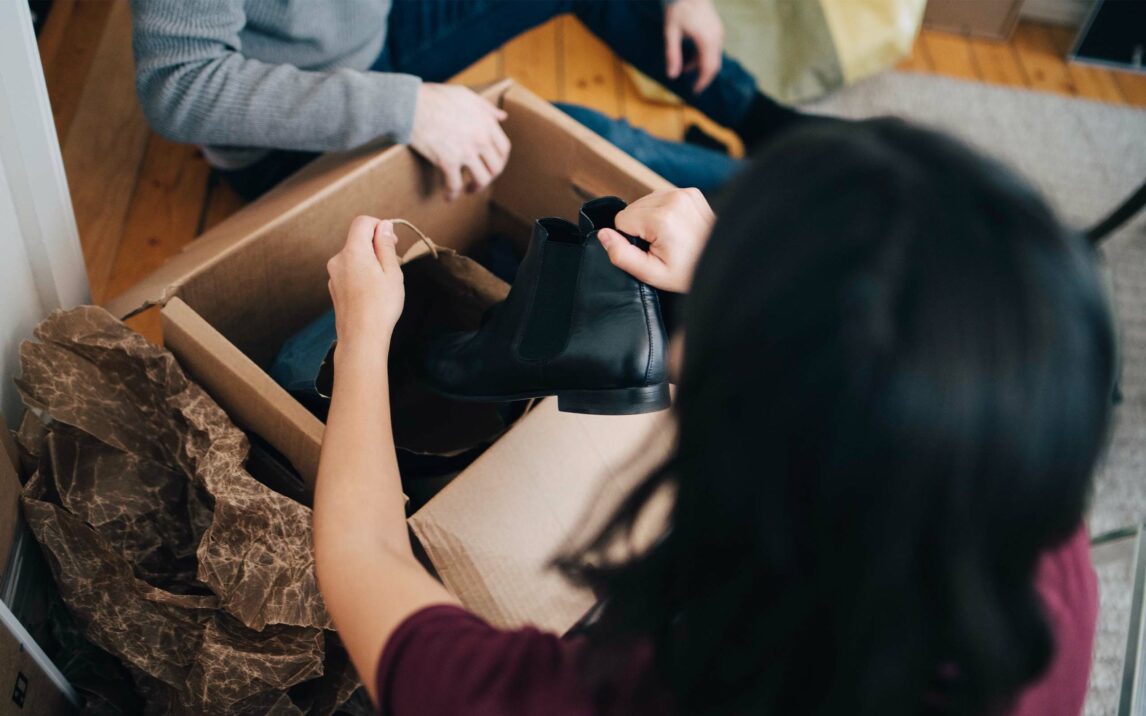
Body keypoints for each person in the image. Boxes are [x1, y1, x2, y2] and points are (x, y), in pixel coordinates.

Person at [314, 119, 1114, 715]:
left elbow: (364, 557)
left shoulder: (647, 695)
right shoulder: (1032, 523)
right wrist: (752, 272)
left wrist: (362, 337)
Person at [131, 0, 801, 200]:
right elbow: (178, 85)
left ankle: (770, 125)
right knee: (569, 136)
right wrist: (408, 108)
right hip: (291, 135)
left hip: (375, 35)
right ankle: (805, 191)